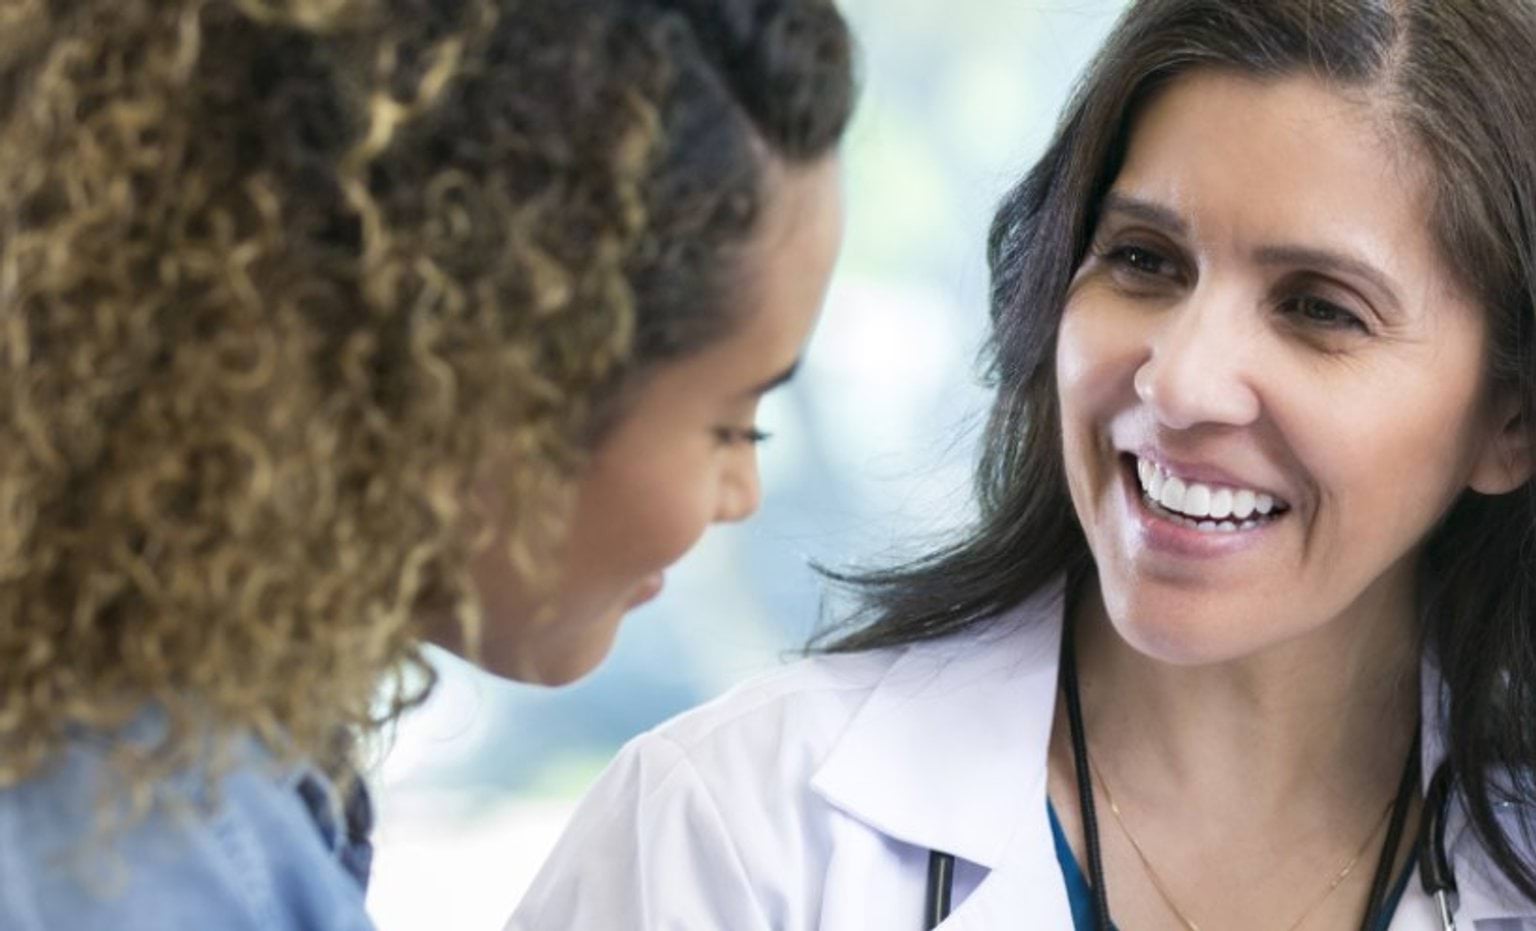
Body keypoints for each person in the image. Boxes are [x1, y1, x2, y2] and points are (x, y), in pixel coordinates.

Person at [510, 1, 1536, 928]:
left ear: (1511, 422)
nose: (1177, 383)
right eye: (1142, 259)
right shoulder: (728, 830)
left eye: (1319, 308)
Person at [0, 0, 854, 927]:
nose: (744, 495)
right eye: (734, 427)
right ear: (483, 379)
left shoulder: (195, 766)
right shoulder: (142, 849)